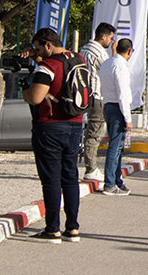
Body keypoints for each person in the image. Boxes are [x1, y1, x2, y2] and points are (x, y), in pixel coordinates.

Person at [22, 28, 85, 243]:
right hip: (75, 125)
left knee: (50, 179)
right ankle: (73, 228)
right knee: (70, 178)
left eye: (39, 48)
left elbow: (36, 98)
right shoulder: (78, 59)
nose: (38, 53)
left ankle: (52, 229)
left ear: (48, 44)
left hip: (50, 127)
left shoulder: (48, 66)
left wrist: (25, 92)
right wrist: (34, 55)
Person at [78, 22, 115, 183]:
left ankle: (90, 166)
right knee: (95, 132)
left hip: (84, 94)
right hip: (97, 94)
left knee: (89, 132)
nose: (111, 42)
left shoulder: (84, 49)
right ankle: (91, 168)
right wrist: (114, 55)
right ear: (103, 36)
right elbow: (109, 70)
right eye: (110, 38)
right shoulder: (98, 52)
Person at [99, 37, 134, 196]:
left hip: (107, 105)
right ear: (129, 51)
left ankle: (117, 180)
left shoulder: (107, 63)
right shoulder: (121, 66)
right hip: (117, 108)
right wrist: (128, 118)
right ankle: (109, 183)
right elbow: (122, 94)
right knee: (115, 147)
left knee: (118, 147)